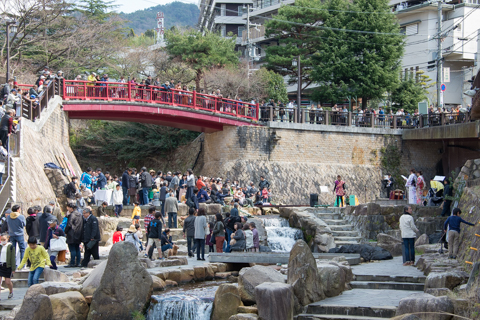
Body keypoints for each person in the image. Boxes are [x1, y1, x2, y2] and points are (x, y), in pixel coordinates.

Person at [64, 203, 83, 268]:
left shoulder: (72, 215)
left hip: (71, 234)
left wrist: (65, 231)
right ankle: (78, 262)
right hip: (78, 233)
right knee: (77, 248)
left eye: (68, 208)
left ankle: (72, 262)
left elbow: (69, 224)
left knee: (72, 249)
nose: (67, 209)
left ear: (71, 208)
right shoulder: (80, 214)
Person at [0, 234, 15, 299]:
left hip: (7, 266)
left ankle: (11, 291)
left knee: (7, 282)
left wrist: (13, 268)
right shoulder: (0, 246)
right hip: (0, 265)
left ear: (7, 239)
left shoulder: (10, 246)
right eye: (1, 239)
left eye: (4, 239)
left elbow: (12, 258)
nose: (3, 241)